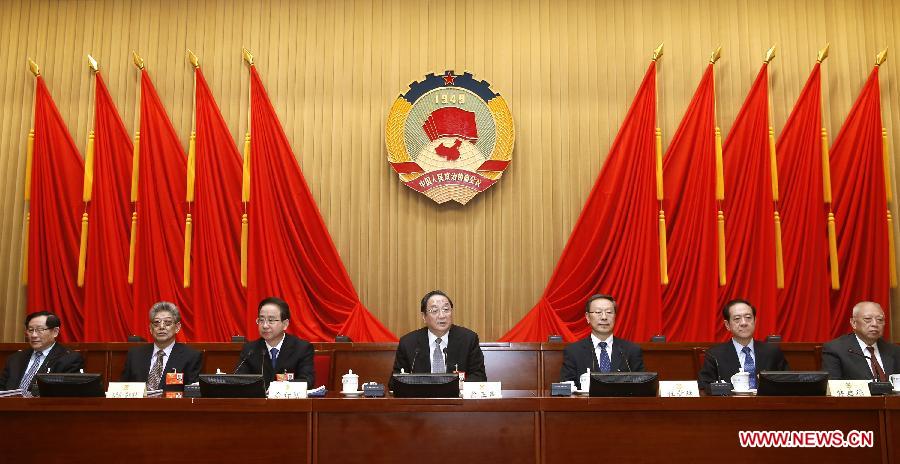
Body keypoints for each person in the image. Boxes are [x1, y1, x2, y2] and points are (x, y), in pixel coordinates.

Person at [391, 290, 487, 382]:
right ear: (424, 317)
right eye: (435, 310)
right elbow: (395, 381)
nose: (442, 315)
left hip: (456, 397)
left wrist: (456, 387)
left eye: (446, 309)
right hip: (423, 398)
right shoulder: (408, 343)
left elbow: (479, 376)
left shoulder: (468, 339)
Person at [697, 299, 789, 391]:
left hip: (766, 404)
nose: (744, 323)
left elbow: (788, 382)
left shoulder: (772, 352)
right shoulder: (715, 355)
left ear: (755, 321)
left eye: (748, 317)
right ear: (727, 325)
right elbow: (704, 386)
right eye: (737, 319)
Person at [559, 294, 644, 389]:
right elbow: (566, 389)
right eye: (598, 312)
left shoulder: (631, 350)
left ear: (615, 316)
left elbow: (641, 387)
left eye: (609, 312)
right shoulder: (573, 351)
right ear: (587, 317)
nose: (604, 317)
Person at [234, 297, 315, 386]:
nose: (265, 325)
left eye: (271, 320)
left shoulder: (302, 348)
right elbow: (239, 380)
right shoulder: (250, 350)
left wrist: (277, 388)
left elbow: (307, 381)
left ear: (285, 324)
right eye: (261, 320)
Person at [120, 302, 203, 388]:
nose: (161, 326)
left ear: (177, 327)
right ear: (151, 329)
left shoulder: (191, 356)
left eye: (167, 322)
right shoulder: (135, 355)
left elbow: (192, 394)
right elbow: (122, 388)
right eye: (157, 322)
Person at [0, 311, 84, 396]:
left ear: (55, 332)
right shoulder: (15, 358)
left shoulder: (69, 359)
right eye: (30, 330)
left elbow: (66, 394)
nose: (33, 335)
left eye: (40, 330)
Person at [821, 301, 900, 381]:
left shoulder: (894, 350)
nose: (875, 324)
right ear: (854, 323)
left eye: (880, 320)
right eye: (868, 319)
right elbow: (833, 386)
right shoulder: (835, 349)